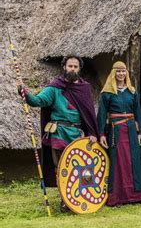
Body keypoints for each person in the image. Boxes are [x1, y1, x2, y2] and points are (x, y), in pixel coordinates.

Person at [20, 55, 98, 212]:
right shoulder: (55, 87)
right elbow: (38, 101)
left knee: (80, 167)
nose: (72, 69)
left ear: (79, 68)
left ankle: (77, 198)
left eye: (75, 67)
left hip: (77, 135)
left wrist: (92, 132)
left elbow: (88, 113)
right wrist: (25, 93)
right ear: (64, 67)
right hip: (59, 133)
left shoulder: (84, 88)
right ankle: (65, 200)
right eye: (70, 66)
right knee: (62, 167)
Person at [97, 61, 141, 206]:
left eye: (123, 71)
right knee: (119, 161)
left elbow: (138, 112)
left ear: (126, 73)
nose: (121, 74)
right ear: (113, 73)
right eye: (118, 71)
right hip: (116, 130)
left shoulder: (132, 92)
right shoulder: (107, 94)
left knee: (135, 160)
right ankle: (118, 197)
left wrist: (140, 132)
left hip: (131, 131)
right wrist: (101, 134)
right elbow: (102, 114)